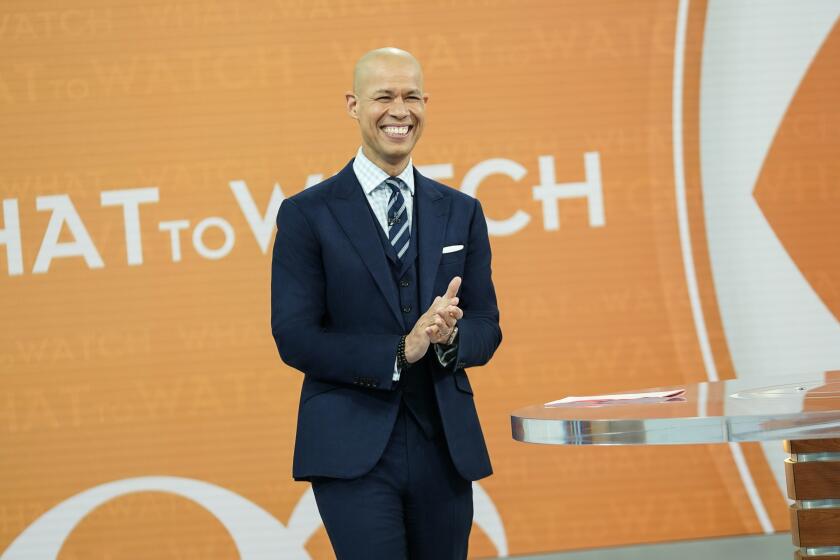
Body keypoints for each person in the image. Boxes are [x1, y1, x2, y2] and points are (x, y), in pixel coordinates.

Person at [270, 47, 501, 559]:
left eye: (412, 96)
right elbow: (295, 336)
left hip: (443, 445)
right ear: (354, 106)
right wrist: (402, 348)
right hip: (351, 449)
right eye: (384, 97)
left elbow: (487, 323)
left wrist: (450, 337)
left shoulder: (461, 211)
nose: (400, 110)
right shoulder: (308, 215)